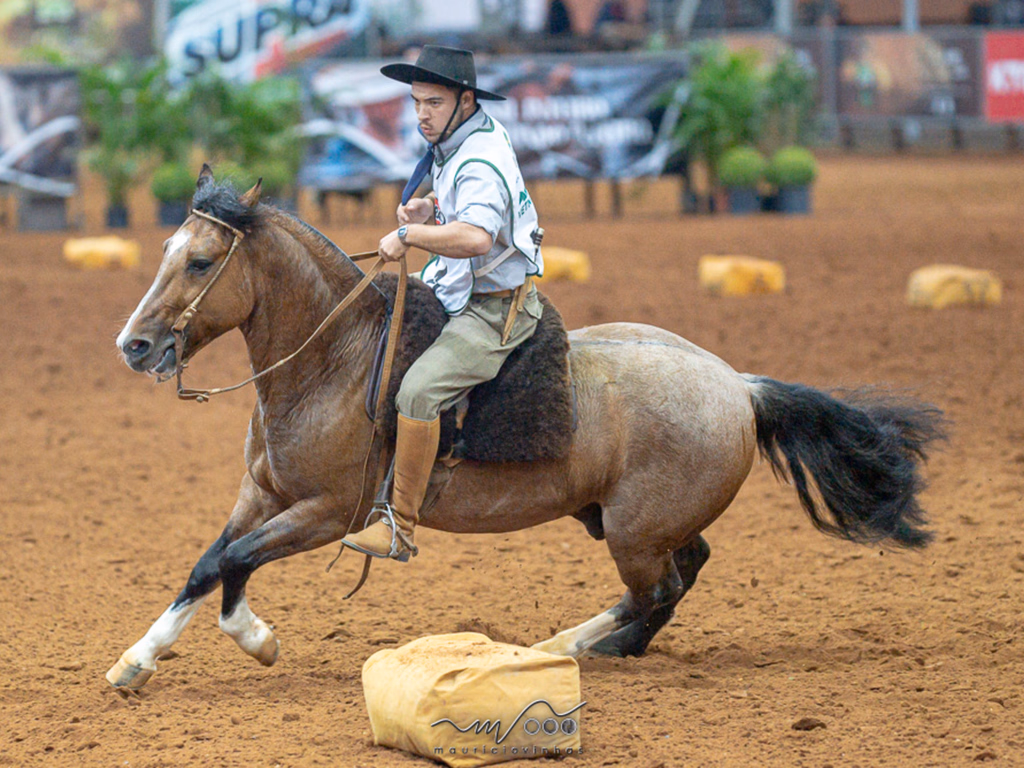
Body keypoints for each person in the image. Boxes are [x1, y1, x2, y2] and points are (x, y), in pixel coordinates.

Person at [341, 46, 544, 562]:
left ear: (466, 99)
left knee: (418, 393)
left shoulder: (479, 159)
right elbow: (461, 204)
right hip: (460, 288)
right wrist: (431, 207)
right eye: (415, 103)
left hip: (494, 310)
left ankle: (399, 526)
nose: (421, 115)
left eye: (433, 102)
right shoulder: (465, 136)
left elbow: (477, 237)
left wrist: (410, 234)